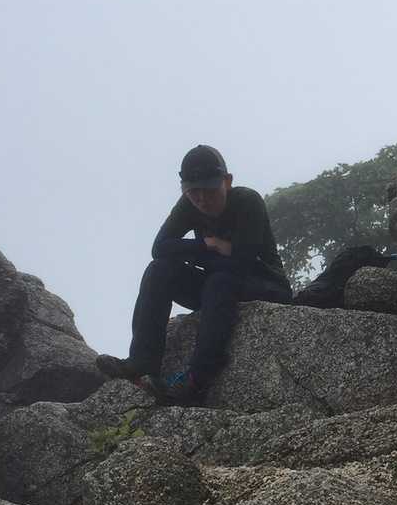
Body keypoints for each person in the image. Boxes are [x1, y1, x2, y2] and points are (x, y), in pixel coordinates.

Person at [96, 145, 292, 405]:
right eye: (193, 192)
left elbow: (240, 263)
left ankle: (196, 380)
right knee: (159, 271)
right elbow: (159, 249)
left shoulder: (247, 202)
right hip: (217, 286)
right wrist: (207, 245)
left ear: (227, 181)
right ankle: (141, 363)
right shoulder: (189, 206)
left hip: (266, 284)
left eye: (209, 191)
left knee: (220, 280)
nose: (201, 199)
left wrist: (198, 254)